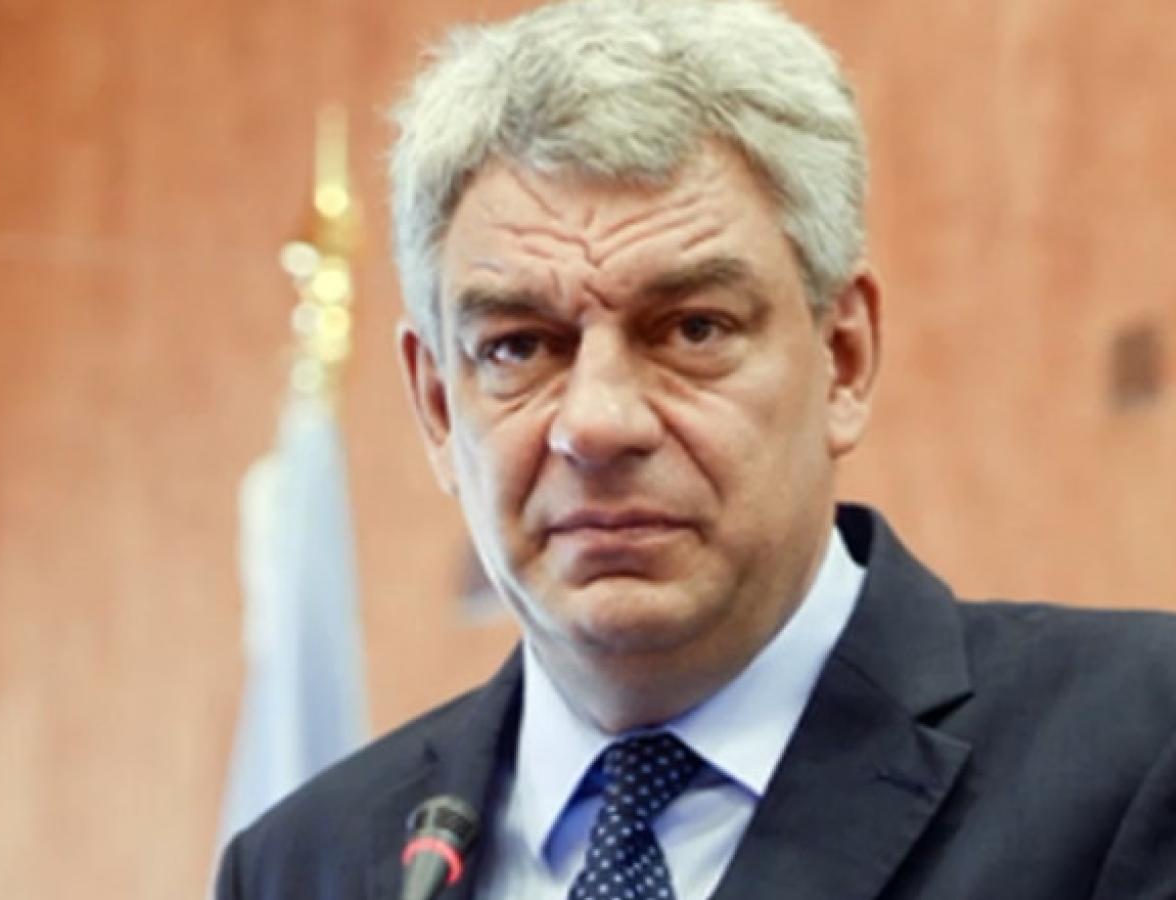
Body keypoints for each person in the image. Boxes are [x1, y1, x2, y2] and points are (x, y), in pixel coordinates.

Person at [216, 1, 1176, 898]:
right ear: (437, 406)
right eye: (519, 347)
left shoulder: (1140, 746)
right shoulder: (301, 865)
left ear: (843, 359)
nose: (597, 424)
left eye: (692, 329)